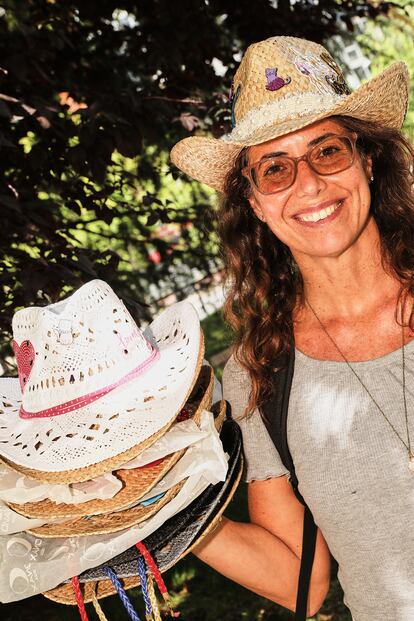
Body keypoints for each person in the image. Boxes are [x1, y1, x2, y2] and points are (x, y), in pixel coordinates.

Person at [170, 36, 414, 620]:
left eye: (326, 151)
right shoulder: (259, 375)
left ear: (367, 159)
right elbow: (299, 584)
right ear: (253, 202)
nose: (308, 185)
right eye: (274, 168)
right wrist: (161, 511)